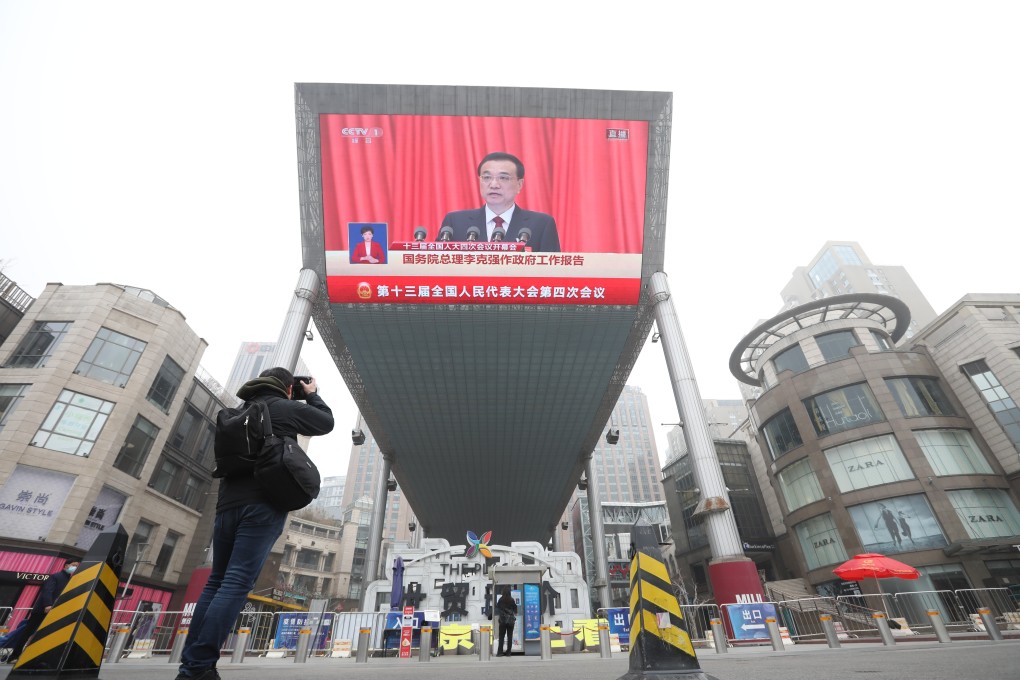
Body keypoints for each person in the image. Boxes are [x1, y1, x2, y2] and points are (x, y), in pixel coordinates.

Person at [176, 368, 333, 680]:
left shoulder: (236, 412)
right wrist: (312, 394)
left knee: (216, 581)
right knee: (236, 582)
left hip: (226, 506)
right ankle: (196, 668)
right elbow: (324, 422)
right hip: (262, 504)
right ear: (288, 388)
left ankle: (193, 665)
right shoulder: (283, 408)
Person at [439, 152, 560, 252]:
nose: (494, 185)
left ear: (519, 184)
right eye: (486, 177)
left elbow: (552, 272)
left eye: (503, 178)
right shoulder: (455, 222)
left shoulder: (541, 224)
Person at [2, 560, 80, 663]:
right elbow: (47, 591)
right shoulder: (55, 576)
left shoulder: (69, 579)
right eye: (74, 565)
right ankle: (14, 656)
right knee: (28, 633)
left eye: (77, 566)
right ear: (66, 565)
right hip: (42, 611)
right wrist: (48, 605)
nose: (75, 568)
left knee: (44, 635)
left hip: (55, 612)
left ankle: (34, 656)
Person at [494, 586, 518, 657]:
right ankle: (508, 653)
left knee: (501, 636)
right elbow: (515, 610)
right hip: (510, 621)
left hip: (502, 621)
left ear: (503, 592)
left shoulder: (501, 600)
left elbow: (497, 609)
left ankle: (500, 652)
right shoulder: (512, 600)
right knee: (510, 636)